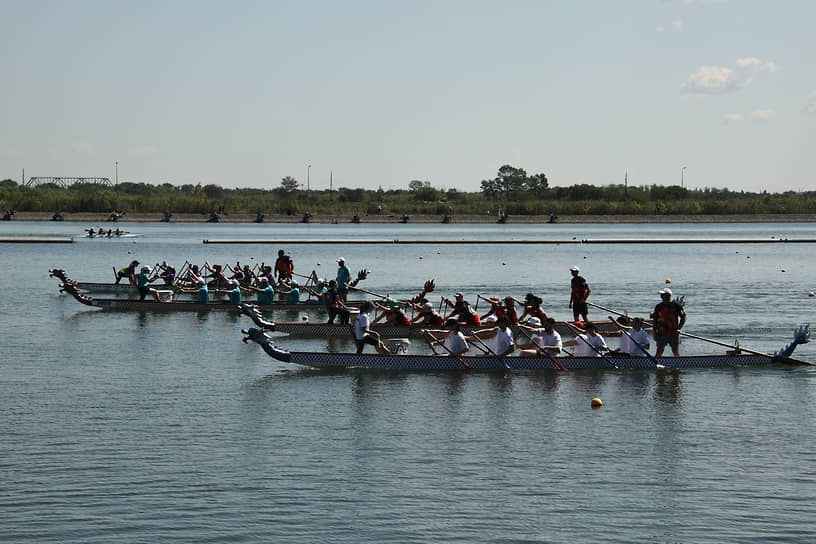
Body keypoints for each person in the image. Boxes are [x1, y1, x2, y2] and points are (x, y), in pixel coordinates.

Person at [652, 288, 686, 356]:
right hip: (661, 333)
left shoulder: (676, 306)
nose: (661, 297)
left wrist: (679, 328)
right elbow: (655, 321)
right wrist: (654, 333)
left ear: (668, 295)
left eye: (663, 295)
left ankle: (678, 362)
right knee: (659, 351)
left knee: (675, 351)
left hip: (673, 333)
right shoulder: (658, 307)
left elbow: (683, 317)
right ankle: (656, 363)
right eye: (661, 295)